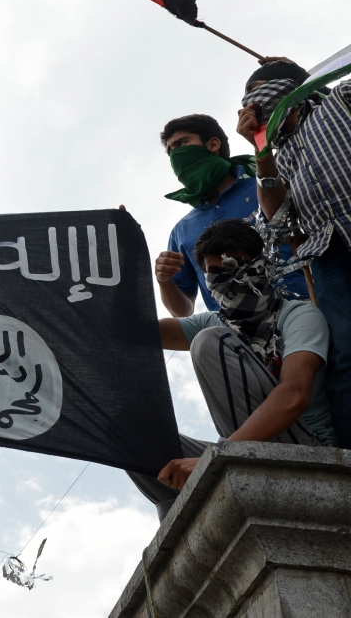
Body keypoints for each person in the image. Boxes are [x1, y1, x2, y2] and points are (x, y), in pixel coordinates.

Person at [130, 219, 336, 521]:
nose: (227, 279)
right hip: (239, 451)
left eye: (235, 265)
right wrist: (125, 254)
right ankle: (183, 515)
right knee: (132, 435)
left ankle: (227, 468)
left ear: (260, 264)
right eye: (215, 272)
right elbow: (130, 333)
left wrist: (221, 455)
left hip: (306, 450)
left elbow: (295, 394)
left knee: (208, 342)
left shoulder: (298, 315)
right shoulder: (215, 320)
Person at [237, 57, 351, 448]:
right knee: (346, 356)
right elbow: (279, 220)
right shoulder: (277, 152)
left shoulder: (341, 100)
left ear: (289, 87)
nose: (249, 104)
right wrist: (261, 149)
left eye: (256, 92)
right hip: (328, 254)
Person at [155, 114, 307, 317]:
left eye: (182, 144)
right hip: (241, 338)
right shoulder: (182, 231)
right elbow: (182, 311)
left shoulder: (264, 186)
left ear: (213, 144)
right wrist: (164, 280)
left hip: (302, 309)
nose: (176, 155)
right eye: (171, 151)